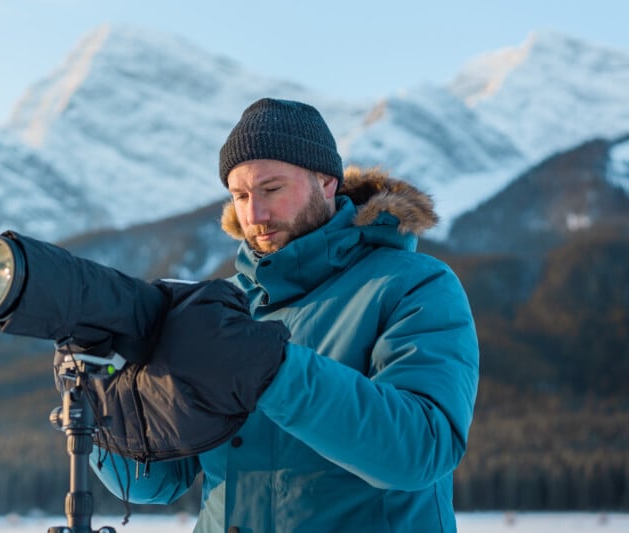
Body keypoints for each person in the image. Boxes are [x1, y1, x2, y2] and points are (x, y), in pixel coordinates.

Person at [89, 97, 479, 532]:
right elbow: (156, 485)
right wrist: (104, 391)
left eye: (272, 189)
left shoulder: (415, 285)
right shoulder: (221, 309)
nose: (254, 214)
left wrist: (271, 369)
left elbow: (421, 450)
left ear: (326, 183)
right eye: (240, 196)